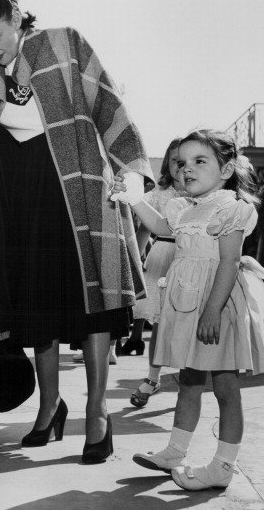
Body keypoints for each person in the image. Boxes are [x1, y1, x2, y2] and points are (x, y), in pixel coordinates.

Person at [0, 0, 153, 464]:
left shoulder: (65, 44)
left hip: (77, 191)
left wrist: (130, 169)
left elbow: (107, 103)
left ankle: (98, 412)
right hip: (20, 199)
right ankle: (49, 407)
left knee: (93, 308)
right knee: (39, 307)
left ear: (18, 16)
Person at [112, 129, 264, 490]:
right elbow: (162, 227)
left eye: (200, 161)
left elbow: (228, 263)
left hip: (217, 304)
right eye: (181, 162)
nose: (186, 169)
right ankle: (175, 451)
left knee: (226, 387)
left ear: (226, 170)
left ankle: (223, 466)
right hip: (187, 304)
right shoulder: (182, 206)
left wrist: (213, 310)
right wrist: (135, 199)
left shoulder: (232, 208)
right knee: (188, 381)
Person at [129, 138, 186, 407]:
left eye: (186, 161)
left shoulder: (203, 193)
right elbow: (144, 226)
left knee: (186, 324)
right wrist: (138, 256)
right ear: (167, 163)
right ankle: (153, 377)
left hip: (189, 257)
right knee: (160, 322)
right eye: (176, 161)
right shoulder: (160, 194)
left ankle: (188, 379)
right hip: (163, 255)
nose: (181, 167)